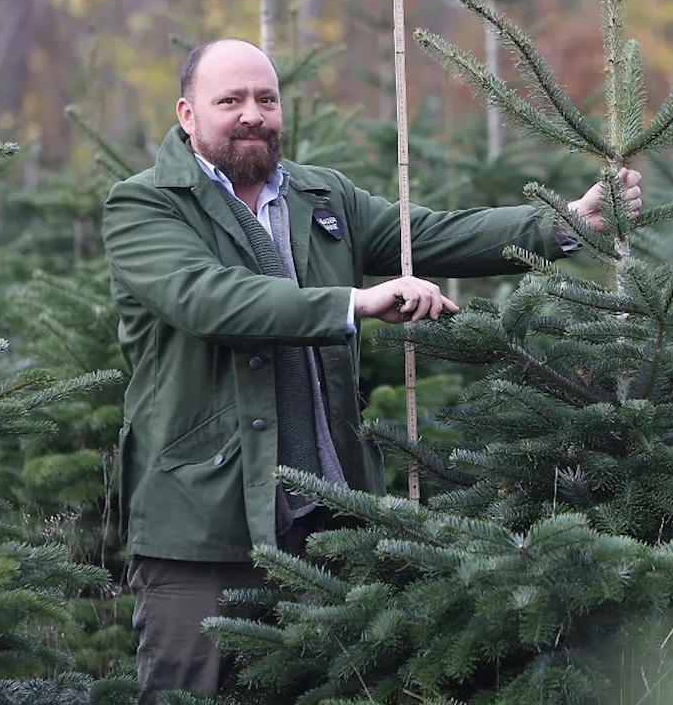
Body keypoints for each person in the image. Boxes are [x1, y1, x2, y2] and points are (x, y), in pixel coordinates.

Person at [99, 37, 641, 702]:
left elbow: (433, 233)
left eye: (266, 99)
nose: (252, 115)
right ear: (187, 114)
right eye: (230, 100)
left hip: (328, 523)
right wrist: (355, 302)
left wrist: (565, 224)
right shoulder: (145, 204)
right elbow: (208, 299)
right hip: (201, 525)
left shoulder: (323, 197)